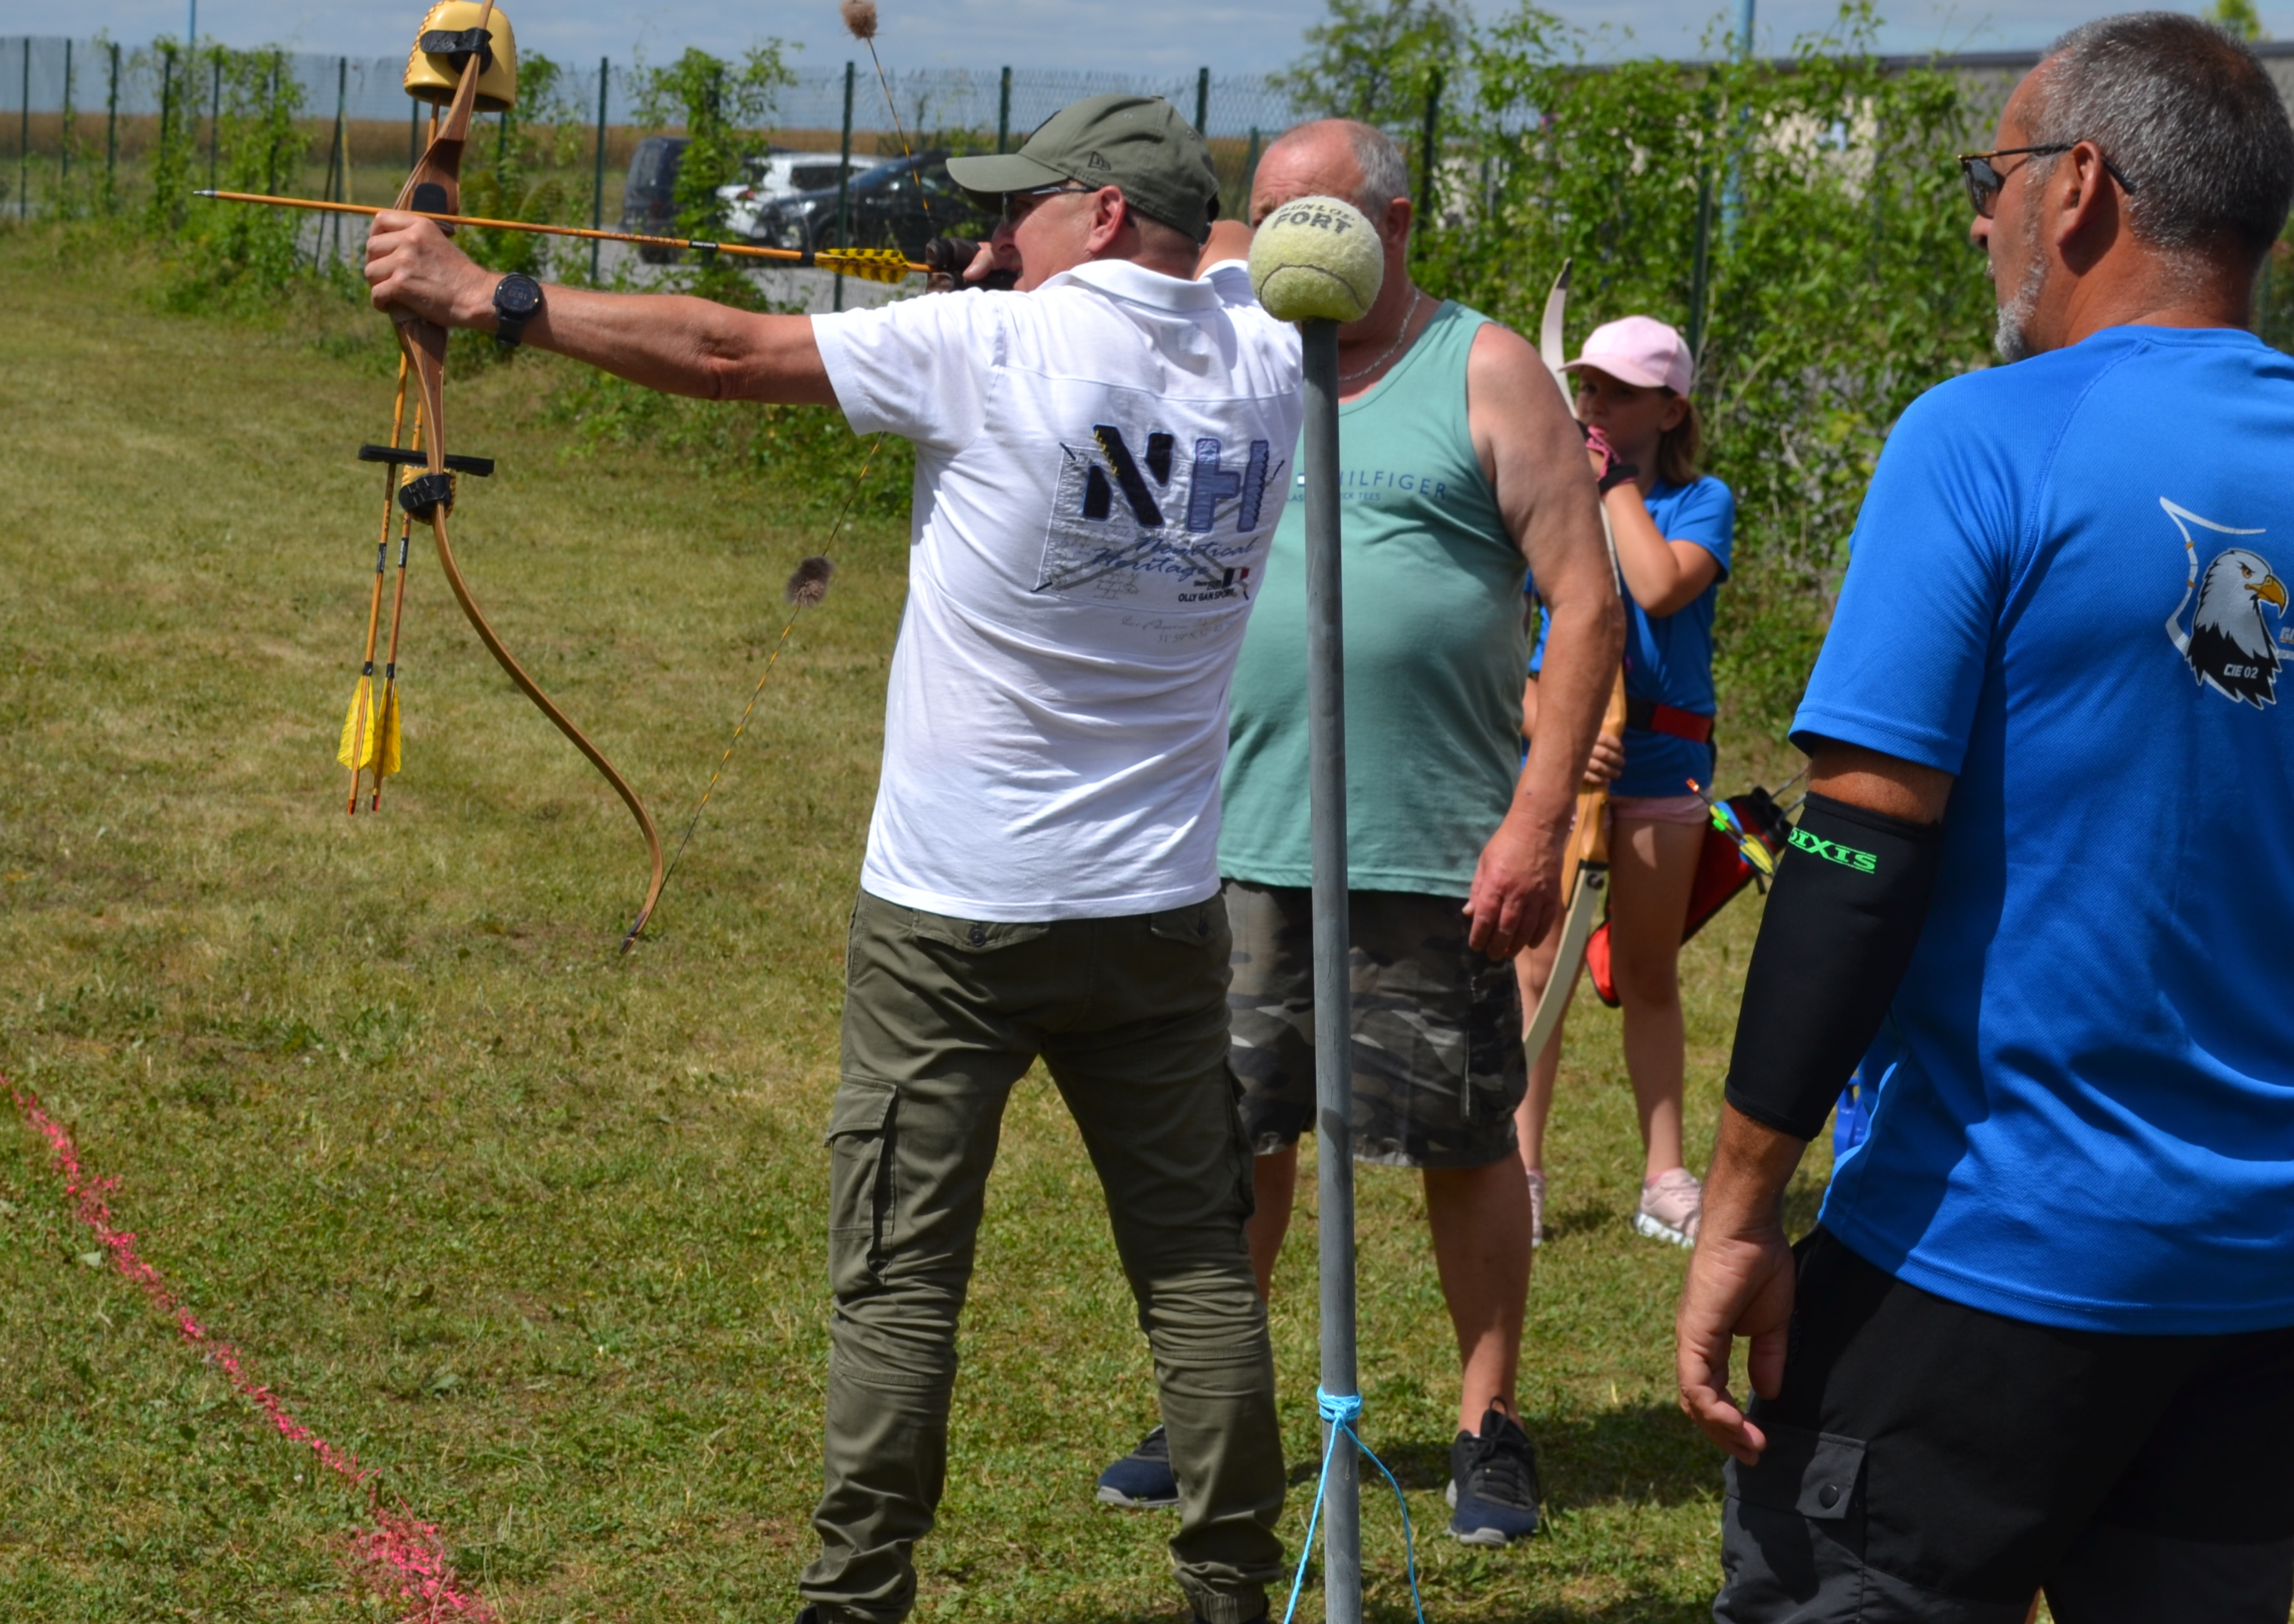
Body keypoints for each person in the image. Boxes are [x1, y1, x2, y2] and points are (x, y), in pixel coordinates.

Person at [369, 93, 1302, 1624]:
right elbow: (1249, 245)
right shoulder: (1271, 354)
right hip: (1155, 912)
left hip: (955, 917)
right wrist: (1082, 257)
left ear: (1103, 217)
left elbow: (727, 354)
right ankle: (1231, 1590)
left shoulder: (985, 347)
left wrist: (489, 296)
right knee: (1198, 1269)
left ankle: (855, 1599)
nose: (997, 233)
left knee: (899, 1277)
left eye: (1024, 207)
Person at [1678, 11, 2294, 1621]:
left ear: (2078, 186)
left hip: (1987, 1250)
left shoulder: (1982, 437)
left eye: (1990, 174)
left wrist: (1738, 1210)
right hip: (2259, 1289)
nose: (1978, 219)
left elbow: (1858, 856)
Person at [1085, 119, 1621, 1548]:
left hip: (1435, 847)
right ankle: (1214, 1408)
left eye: (1316, 215)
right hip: (1236, 835)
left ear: (1395, 222)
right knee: (1233, 1138)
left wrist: (1537, 819)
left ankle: (1488, 1424)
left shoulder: (1483, 369)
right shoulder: (1243, 355)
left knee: (1464, 1143)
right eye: (1266, 215)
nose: (1286, 241)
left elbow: (1587, 602)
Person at [1511, 315, 1736, 1248]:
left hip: (1663, 770)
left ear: (1671, 409)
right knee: (1538, 970)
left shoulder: (1700, 501)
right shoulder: (1551, 498)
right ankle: (1519, 1172)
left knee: (1646, 971)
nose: (1593, 403)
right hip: (1564, 766)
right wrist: (1550, 725)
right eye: (1587, 386)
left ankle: (1663, 1178)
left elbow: (1657, 585)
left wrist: (1610, 487)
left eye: (1618, 391)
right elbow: (1504, 640)